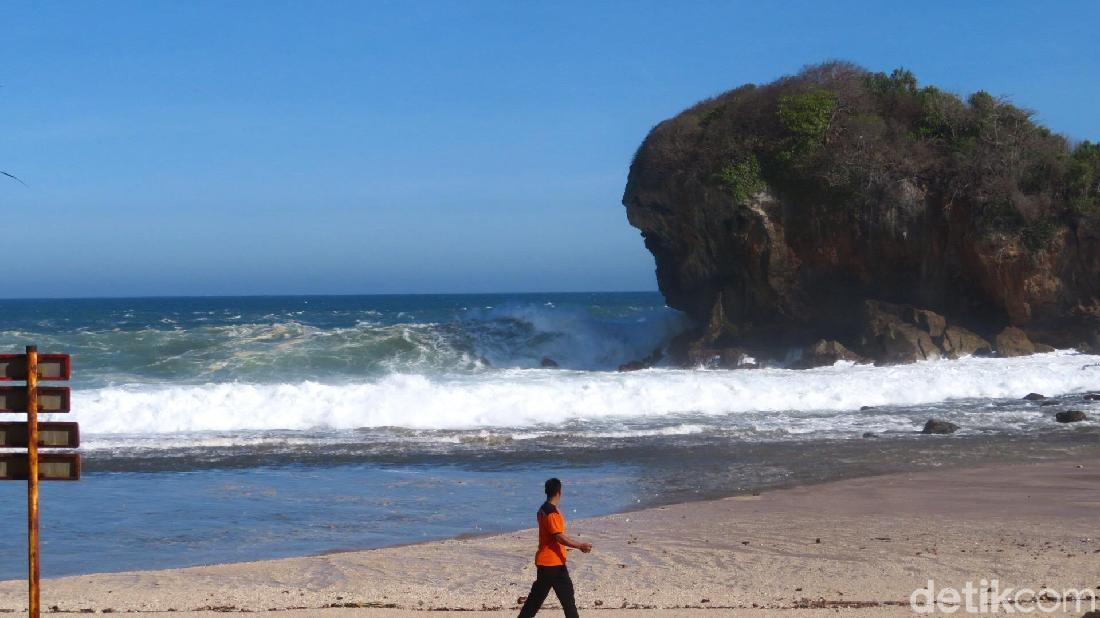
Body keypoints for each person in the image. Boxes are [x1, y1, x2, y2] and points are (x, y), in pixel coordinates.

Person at [517, 477, 592, 618]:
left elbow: (554, 536)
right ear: (559, 492)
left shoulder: (543, 509)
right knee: (535, 602)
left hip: (555, 562)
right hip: (550, 563)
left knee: (567, 600)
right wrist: (580, 545)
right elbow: (558, 536)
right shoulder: (551, 513)